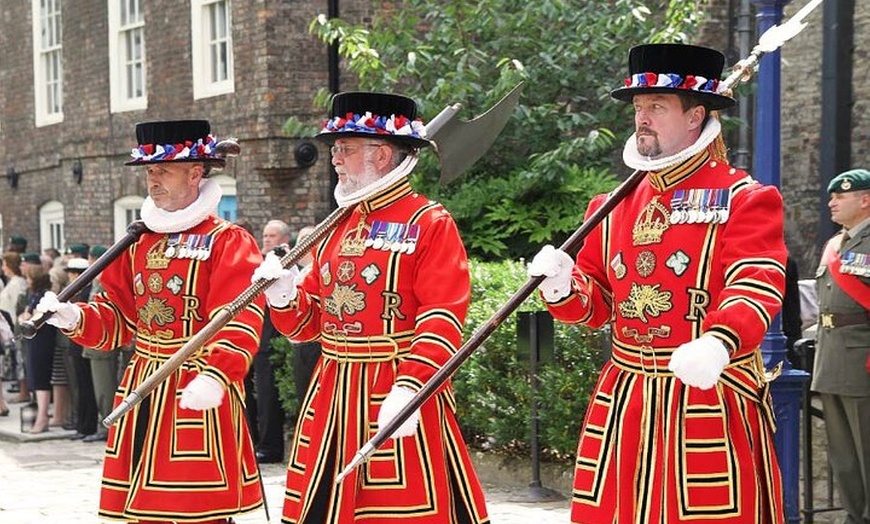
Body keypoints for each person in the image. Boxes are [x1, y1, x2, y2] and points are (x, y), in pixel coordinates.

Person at [528, 44, 787, 523]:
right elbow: (598, 306)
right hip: (626, 399)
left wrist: (718, 341)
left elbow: (758, 282)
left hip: (708, 392)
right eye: (638, 107)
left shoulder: (744, 197)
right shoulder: (611, 204)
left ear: (696, 116)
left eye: (657, 107)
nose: (641, 118)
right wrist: (564, 286)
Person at [252, 92, 489, 523]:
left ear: (380, 154)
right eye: (335, 148)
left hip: (394, 387)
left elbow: (443, 315)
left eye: (345, 148)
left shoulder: (429, 222)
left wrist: (410, 387)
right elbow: (310, 325)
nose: (335, 159)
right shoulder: (338, 224)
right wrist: (284, 295)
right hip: (332, 395)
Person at [35, 119, 266, 523]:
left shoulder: (228, 240)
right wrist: (74, 317)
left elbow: (239, 316)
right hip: (143, 385)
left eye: (163, 170)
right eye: (148, 171)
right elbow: (118, 320)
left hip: (197, 384)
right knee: (142, 513)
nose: (153, 180)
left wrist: (217, 375)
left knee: (198, 511)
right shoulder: (138, 242)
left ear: (196, 172)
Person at [811, 168, 870, 524]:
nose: (831, 202)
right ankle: (854, 515)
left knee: (867, 448)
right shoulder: (835, 244)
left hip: (862, 359)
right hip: (831, 359)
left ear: (865, 200)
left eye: (841, 196)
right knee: (844, 453)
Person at [244, 218, 291, 464]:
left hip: (272, 338)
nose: (266, 240)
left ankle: (270, 446)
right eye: (264, 235)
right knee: (253, 397)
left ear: (284, 239)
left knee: (268, 397)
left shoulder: (283, 259)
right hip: (255, 337)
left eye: (272, 236)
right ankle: (255, 441)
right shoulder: (259, 262)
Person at [62, 257, 99, 440]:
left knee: (87, 387)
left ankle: (88, 426)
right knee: (80, 387)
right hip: (76, 345)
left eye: (71, 273)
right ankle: (82, 425)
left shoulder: (85, 292)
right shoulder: (77, 292)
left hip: (85, 344)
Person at [289, 225, 321, 424]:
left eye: (307, 239)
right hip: (300, 345)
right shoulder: (301, 272)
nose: (302, 245)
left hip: (315, 344)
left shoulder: (316, 269)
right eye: (299, 240)